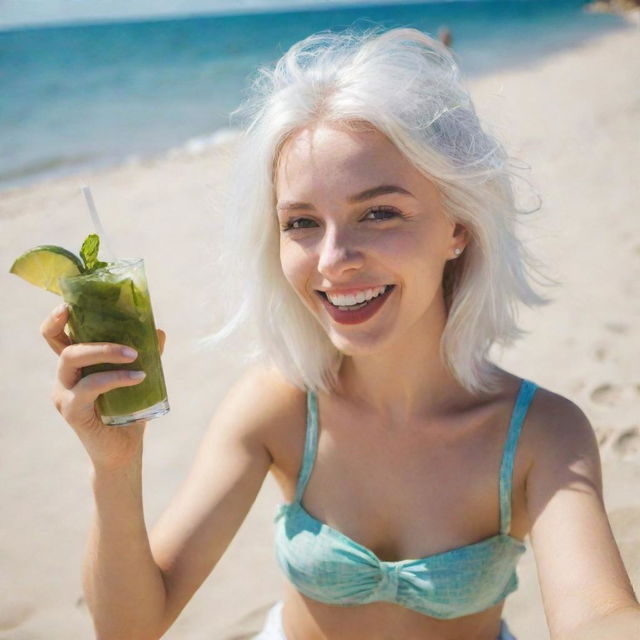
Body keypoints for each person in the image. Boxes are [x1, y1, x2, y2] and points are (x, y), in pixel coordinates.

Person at [40, 28, 639, 640]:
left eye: (379, 212)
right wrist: (114, 466)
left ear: (458, 227)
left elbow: (598, 616)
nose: (332, 259)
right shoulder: (278, 405)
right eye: (301, 222)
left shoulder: (542, 434)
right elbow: (128, 627)